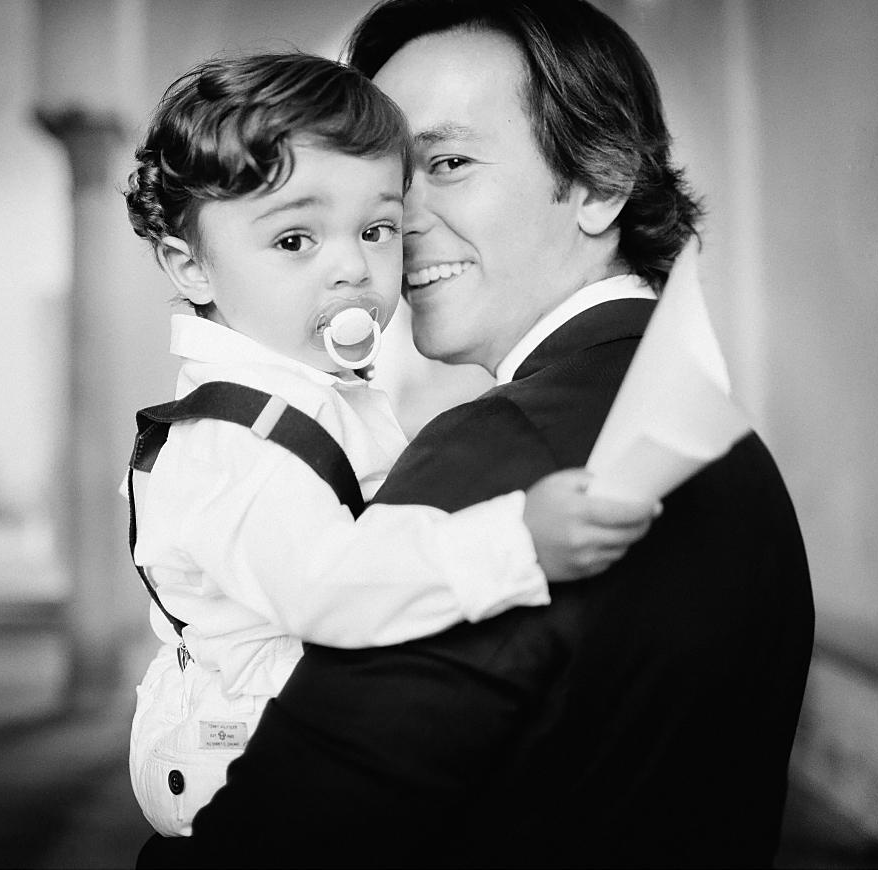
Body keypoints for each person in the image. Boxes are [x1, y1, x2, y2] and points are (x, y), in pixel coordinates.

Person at [138, 1, 815, 867]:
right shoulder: (715, 434)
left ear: (601, 181)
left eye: (448, 162)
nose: (398, 219)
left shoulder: (498, 455)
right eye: (389, 181)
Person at [120, 52, 657, 840]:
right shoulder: (233, 446)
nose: (355, 267)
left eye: (375, 229)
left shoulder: (314, 394)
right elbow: (332, 588)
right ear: (189, 264)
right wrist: (518, 543)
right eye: (296, 238)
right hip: (229, 753)